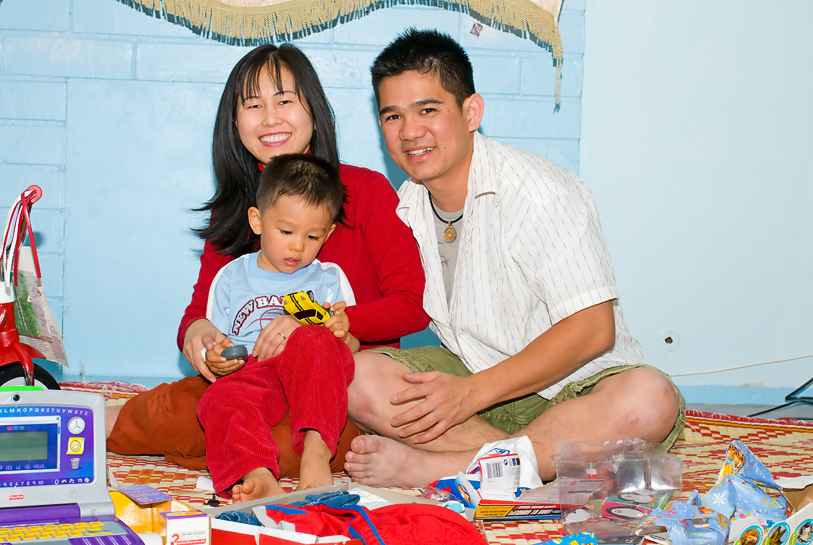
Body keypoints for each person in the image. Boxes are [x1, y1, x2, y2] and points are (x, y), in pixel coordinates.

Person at [343, 29, 685, 488]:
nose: (410, 132)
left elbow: (593, 329)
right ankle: (525, 467)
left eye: (428, 109)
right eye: (392, 116)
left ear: (471, 112)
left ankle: (451, 468)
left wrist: (472, 393)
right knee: (355, 375)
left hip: (577, 388)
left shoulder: (540, 192)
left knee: (649, 398)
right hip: (477, 390)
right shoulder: (405, 205)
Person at [105, 43, 430, 476]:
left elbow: (413, 304)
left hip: (342, 391)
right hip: (253, 382)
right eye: (253, 105)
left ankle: (239, 457)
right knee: (179, 408)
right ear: (234, 122)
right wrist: (201, 337)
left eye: (285, 101)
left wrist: (322, 323)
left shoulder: (364, 191)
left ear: (312, 109)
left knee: (268, 438)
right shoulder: (238, 207)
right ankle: (73, 421)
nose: (270, 117)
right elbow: (202, 311)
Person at [198, 154, 357, 501]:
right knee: (220, 397)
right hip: (256, 375)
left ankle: (316, 456)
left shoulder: (329, 280)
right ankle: (258, 476)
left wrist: (343, 332)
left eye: (313, 236)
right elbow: (218, 343)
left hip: (311, 374)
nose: (298, 246)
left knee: (313, 337)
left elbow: (350, 353)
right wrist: (218, 359)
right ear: (257, 220)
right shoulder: (230, 278)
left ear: (328, 233)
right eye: (285, 231)